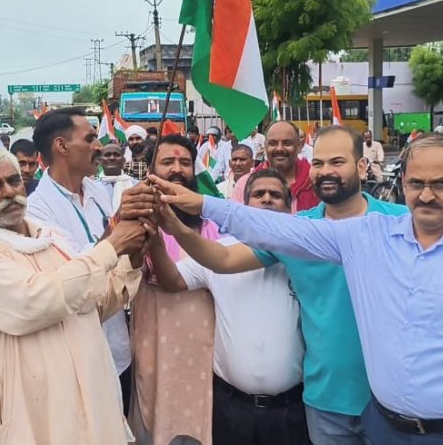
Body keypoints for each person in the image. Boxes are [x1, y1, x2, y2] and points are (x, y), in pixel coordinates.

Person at [153, 133, 443, 444]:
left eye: (440, 183)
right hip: (385, 426)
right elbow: (272, 227)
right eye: (416, 182)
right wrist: (200, 205)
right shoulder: (368, 236)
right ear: (403, 182)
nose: (427, 195)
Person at [152, 126, 409, 445]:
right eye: (318, 163)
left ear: (361, 166)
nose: (326, 171)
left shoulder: (400, 223)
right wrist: (173, 225)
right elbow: (223, 259)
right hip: (326, 403)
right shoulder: (296, 232)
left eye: (337, 162)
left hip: (391, 404)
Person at [0, 147, 150, 444]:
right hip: (31, 413)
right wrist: (112, 246)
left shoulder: (50, 238)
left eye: (13, 181)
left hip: (90, 403)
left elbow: (91, 305)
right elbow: (34, 301)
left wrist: (131, 259)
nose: (9, 192)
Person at [149, 167, 306, 445]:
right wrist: (155, 240)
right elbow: (173, 279)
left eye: (275, 195)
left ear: (289, 205)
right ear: (245, 205)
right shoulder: (215, 251)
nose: (267, 199)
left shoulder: (305, 253)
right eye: (259, 194)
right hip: (232, 409)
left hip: (292, 410)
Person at [28, 108, 144, 416]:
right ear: (61, 146)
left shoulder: (97, 190)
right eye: (90, 138)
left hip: (117, 350)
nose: (99, 146)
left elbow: (121, 259)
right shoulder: (35, 211)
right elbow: (70, 276)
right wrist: (116, 231)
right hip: (75, 360)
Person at [129, 134, 218, 445]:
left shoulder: (210, 222)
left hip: (201, 338)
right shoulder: (136, 217)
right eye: (167, 162)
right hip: (155, 333)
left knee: (198, 414)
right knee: (156, 408)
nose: (177, 169)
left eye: (184, 163)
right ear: (151, 169)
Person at [232, 121, 319, 212]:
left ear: (299, 146)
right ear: (265, 147)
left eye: (287, 143)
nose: (279, 148)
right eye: (273, 143)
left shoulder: (314, 182)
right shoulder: (244, 184)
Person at [99, 143, 137, 212]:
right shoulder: (92, 187)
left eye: (116, 155)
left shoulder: (136, 185)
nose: (112, 158)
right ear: (100, 161)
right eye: (107, 155)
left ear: (123, 161)